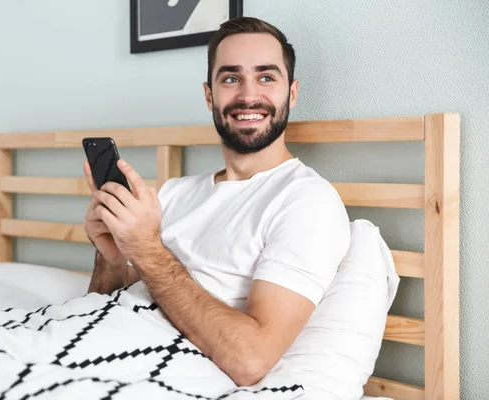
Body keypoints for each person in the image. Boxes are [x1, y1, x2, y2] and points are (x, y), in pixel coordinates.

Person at [82, 17, 350, 388]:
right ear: (210, 95)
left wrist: (145, 249)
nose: (248, 95)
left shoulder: (306, 201)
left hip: (144, 371)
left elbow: (251, 360)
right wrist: (111, 258)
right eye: (230, 78)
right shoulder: (173, 194)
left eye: (267, 77)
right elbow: (102, 304)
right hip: (85, 342)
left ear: (293, 92)